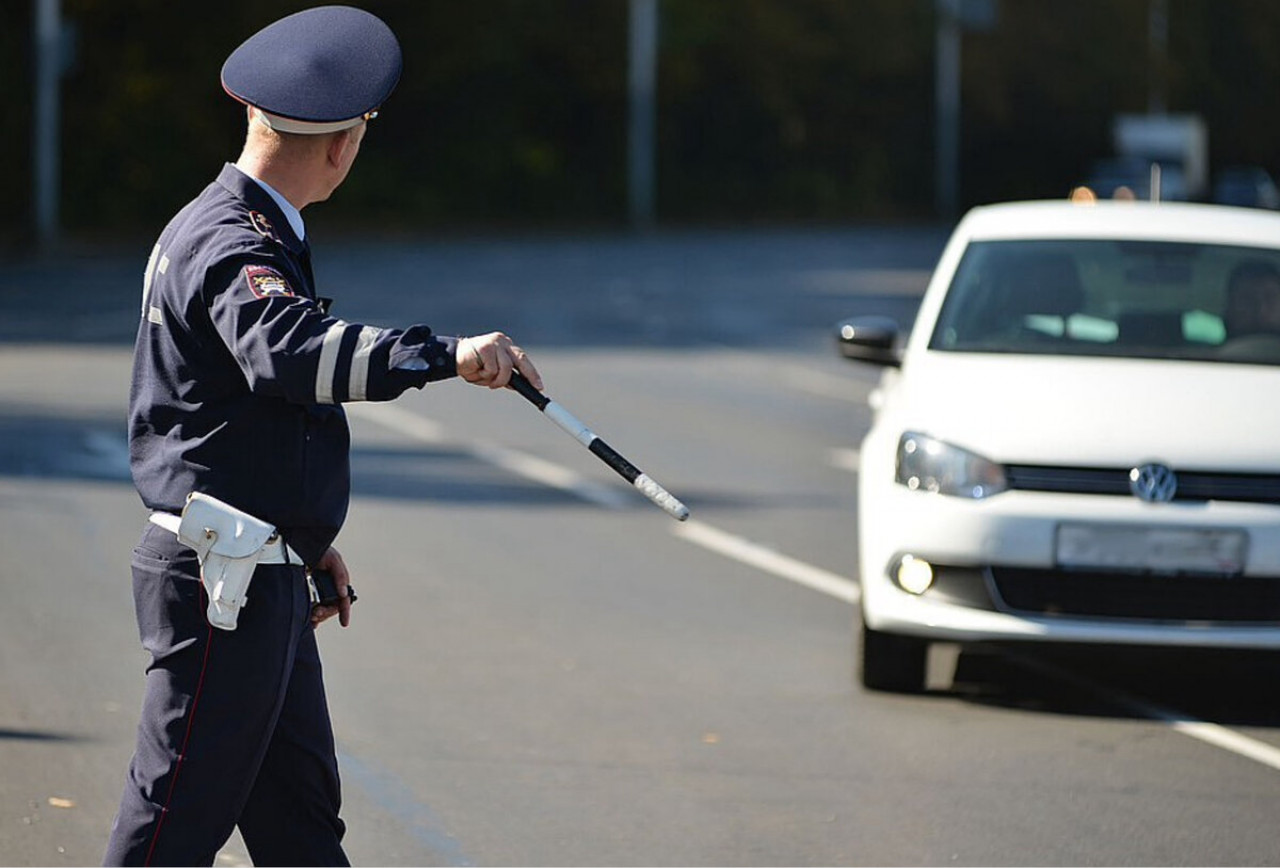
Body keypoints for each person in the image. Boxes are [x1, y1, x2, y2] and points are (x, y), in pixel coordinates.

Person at [103, 7, 541, 865]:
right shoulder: (235, 241)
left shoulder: (239, 226)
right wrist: (447, 356)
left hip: (257, 570)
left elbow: (242, 410)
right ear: (344, 145)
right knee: (169, 828)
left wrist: (300, 540)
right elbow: (291, 357)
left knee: (300, 826)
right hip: (221, 581)